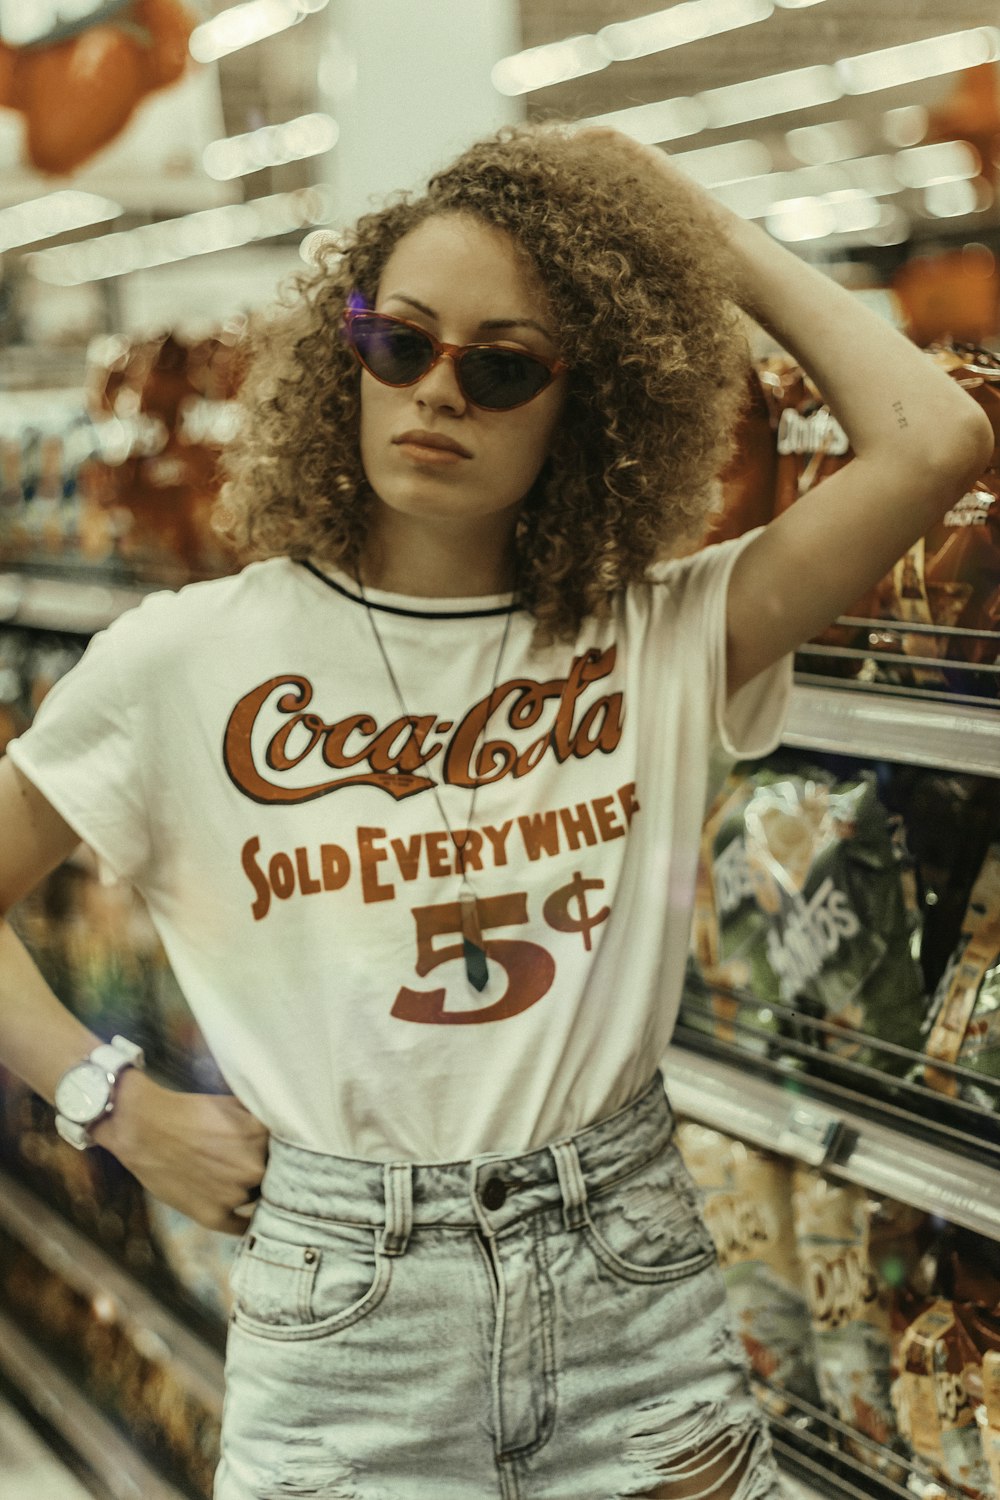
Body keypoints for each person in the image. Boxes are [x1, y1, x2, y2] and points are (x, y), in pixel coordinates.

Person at [0, 125, 991, 1500]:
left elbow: (935, 439)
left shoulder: (658, 635)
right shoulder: (190, 658)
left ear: (586, 407)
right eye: (397, 340)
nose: (437, 392)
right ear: (343, 353)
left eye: (505, 365)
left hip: (629, 1286)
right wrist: (106, 1102)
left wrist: (700, 233)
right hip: (347, 1319)